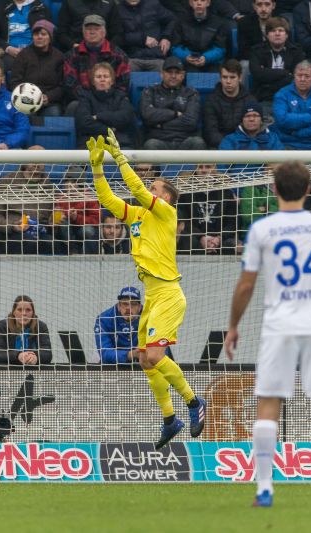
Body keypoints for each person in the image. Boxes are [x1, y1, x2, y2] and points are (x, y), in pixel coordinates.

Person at [224, 160, 311, 507]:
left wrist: (234, 325)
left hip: (279, 326)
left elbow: (246, 285)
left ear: (274, 188)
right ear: (309, 189)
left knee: (268, 403)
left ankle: (265, 489)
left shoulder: (262, 229)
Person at [88, 129, 206, 450]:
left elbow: (137, 189)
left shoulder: (166, 213)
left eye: (155, 187)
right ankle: (170, 419)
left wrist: (119, 157)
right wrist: (98, 168)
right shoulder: (139, 216)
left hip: (168, 292)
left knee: (155, 354)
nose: (148, 189)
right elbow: (108, 200)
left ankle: (194, 402)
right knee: (144, 359)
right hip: (151, 296)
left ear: (164, 197)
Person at [62, 15, 131, 111]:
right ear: (83, 32)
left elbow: (123, 85)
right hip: (83, 101)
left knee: (125, 106)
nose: (92, 32)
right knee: (73, 107)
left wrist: (105, 98)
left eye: (96, 29)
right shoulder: (71, 56)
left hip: (110, 101)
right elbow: (70, 84)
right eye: (88, 29)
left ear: (104, 32)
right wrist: (90, 100)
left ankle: (109, 127)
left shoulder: (119, 55)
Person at [0, 156, 55, 254]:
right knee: (29, 242)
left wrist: (53, 221)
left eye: (41, 160)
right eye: (33, 159)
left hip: (39, 233)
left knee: (55, 244)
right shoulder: (7, 181)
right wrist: (12, 226)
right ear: (25, 161)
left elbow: (51, 217)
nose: (36, 164)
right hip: (11, 234)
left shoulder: (49, 186)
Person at [140, 56, 205, 150]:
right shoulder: (150, 91)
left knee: (198, 142)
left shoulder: (191, 93)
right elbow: (147, 115)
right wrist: (175, 114)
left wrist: (161, 124)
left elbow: (191, 121)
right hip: (159, 140)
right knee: (151, 144)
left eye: (177, 73)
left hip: (185, 140)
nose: (173, 76)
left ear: (183, 75)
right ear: (162, 74)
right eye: (169, 72)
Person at [178, 164, 241, 255]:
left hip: (221, 240)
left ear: (214, 168)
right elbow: (184, 221)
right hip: (195, 238)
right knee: (185, 242)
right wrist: (201, 237)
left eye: (208, 167)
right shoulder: (186, 192)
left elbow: (233, 222)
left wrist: (219, 238)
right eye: (200, 167)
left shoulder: (225, 192)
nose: (204, 170)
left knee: (237, 246)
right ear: (195, 169)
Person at [272, 60, 311, 150]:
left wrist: (297, 133)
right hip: (288, 146)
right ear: (294, 76)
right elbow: (282, 120)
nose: (302, 79)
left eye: (307, 76)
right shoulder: (282, 94)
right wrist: (309, 119)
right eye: (299, 75)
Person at [75, 62, 137, 148]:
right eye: (98, 77)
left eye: (106, 76)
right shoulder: (85, 97)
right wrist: (110, 129)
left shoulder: (121, 97)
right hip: (93, 143)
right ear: (93, 81)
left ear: (111, 81)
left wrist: (99, 116)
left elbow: (125, 117)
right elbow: (84, 122)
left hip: (118, 143)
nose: (102, 79)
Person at [9, 20, 65, 116]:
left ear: (50, 37)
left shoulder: (59, 57)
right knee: (26, 115)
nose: (39, 37)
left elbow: (62, 85)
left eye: (43, 34)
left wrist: (49, 97)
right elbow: (14, 82)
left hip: (49, 102)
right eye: (36, 34)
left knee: (54, 115)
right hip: (26, 100)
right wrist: (28, 97)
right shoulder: (23, 55)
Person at [203, 59, 257, 148]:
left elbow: (254, 130)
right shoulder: (211, 100)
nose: (228, 81)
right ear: (220, 78)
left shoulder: (250, 100)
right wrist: (229, 146)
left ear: (240, 78)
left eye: (232, 77)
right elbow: (210, 132)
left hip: (244, 148)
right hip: (219, 148)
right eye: (225, 77)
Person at [0, 295, 53, 365]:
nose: (24, 313)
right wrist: (18, 356)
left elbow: (47, 353)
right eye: (20, 310)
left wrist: (35, 357)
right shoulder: (1, 327)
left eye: (28, 310)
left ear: (33, 313)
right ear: (13, 312)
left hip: (33, 370)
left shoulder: (40, 327)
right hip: (9, 371)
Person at [0, 0, 51, 71]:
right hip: (9, 53)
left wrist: (34, 49)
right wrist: (8, 48)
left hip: (35, 51)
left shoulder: (41, 8)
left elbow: (49, 33)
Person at [117, 0, 175, 72]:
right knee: (126, 74)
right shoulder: (118, 10)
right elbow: (118, 37)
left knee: (166, 75)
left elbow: (172, 20)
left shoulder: (153, 4)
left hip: (156, 57)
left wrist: (166, 37)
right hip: (131, 57)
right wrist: (142, 39)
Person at [170, 0, 227, 72]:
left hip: (212, 62)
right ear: (190, 3)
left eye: (202, 0)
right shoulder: (181, 21)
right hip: (187, 61)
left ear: (208, 3)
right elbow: (175, 47)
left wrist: (206, 58)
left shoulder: (218, 23)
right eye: (195, 0)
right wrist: (186, 56)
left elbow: (220, 49)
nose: (199, 3)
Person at [54, 170, 101, 254]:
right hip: (67, 232)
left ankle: (86, 251)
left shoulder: (89, 198)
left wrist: (77, 217)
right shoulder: (60, 198)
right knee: (62, 222)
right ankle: (71, 248)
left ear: (81, 184)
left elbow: (96, 220)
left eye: (73, 182)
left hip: (82, 229)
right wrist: (56, 218)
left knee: (88, 230)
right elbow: (54, 220)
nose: (69, 185)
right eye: (66, 181)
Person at [95, 286, 143, 364]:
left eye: (133, 304)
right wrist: (131, 354)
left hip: (141, 360)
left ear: (139, 307)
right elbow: (105, 354)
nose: (128, 308)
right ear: (119, 306)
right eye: (125, 303)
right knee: (96, 356)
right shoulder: (104, 319)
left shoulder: (150, 317)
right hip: (112, 362)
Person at [56, 0, 124, 50]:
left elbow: (118, 33)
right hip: (77, 49)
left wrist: (108, 47)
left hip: (105, 50)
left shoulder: (110, 4)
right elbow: (61, 33)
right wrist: (73, 45)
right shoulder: (69, 2)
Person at [219, 101, 284, 150]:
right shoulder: (230, 140)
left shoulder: (273, 139)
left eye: (255, 115)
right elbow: (222, 166)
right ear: (242, 121)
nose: (251, 119)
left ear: (261, 120)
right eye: (247, 116)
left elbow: (281, 164)